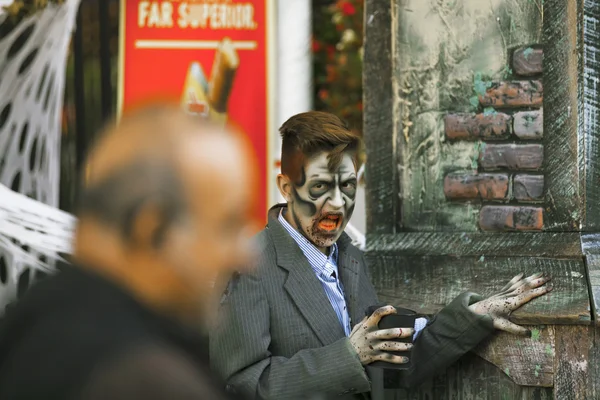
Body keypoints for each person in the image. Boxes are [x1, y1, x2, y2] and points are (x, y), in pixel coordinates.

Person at [209, 111, 552, 399]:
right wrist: (348, 356)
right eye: (319, 187)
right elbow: (239, 385)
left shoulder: (350, 257)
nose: (338, 203)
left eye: (346, 186)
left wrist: (474, 316)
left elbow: (388, 369)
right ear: (286, 187)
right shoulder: (246, 264)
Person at [0, 105, 257, 399]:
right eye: (228, 226)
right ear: (151, 230)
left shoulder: (33, 324)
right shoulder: (148, 381)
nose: (245, 257)